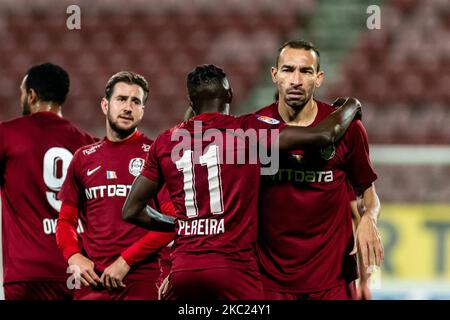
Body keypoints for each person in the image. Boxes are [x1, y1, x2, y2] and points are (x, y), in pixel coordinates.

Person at [122, 64, 362, 300]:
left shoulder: (166, 141)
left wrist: (179, 225)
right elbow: (323, 135)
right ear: (230, 94)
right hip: (234, 269)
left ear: (191, 101)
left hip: (184, 269)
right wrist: (351, 105)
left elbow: (131, 210)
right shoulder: (248, 130)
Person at [255, 40, 383, 300]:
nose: (296, 80)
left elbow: (367, 195)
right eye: (288, 69)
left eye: (306, 71)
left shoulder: (350, 130)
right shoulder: (253, 128)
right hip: (269, 280)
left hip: (331, 279)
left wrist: (369, 217)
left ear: (319, 78)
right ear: (274, 74)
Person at [56, 71, 175, 300]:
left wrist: (126, 260)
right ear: (105, 104)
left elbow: (172, 221)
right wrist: (73, 256)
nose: (128, 107)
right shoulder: (83, 158)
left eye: (136, 101)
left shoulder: (156, 155)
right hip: (93, 282)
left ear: (142, 110)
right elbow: (66, 220)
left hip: (140, 281)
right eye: (121, 99)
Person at [0, 63, 96, 299]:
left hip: (26, 273)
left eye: (23, 92)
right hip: (76, 271)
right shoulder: (89, 144)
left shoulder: (7, 135)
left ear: (31, 95)